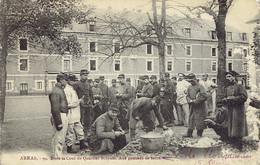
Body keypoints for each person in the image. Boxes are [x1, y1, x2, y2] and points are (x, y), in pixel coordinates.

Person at [222, 70, 248, 151]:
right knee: (231, 127)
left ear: (234, 77)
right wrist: (225, 100)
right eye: (227, 77)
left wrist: (232, 99)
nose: (228, 78)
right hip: (230, 110)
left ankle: (239, 147)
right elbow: (226, 97)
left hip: (238, 110)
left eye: (230, 76)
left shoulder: (240, 87)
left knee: (238, 128)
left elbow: (244, 97)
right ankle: (233, 145)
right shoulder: (228, 88)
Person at [63, 73, 87, 153]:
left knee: (79, 129)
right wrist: (79, 101)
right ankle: (69, 148)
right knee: (70, 131)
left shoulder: (72, 89)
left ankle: (82, 144)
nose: (74, 82)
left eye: (75, 80)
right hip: (70, 114)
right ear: (69, 81)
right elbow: (68, 104)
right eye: (73, 81)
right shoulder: (66, 90)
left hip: (76, 114)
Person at [49, 72, 69, 158]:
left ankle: (57, 154)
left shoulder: (59, 90)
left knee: (60, 136)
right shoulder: (56, 91)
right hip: (60, 115)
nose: (67, 82)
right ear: (61, 80)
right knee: (58, 136)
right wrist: (58, 121)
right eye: (66, 80)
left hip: (62, 114)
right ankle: (56, 155)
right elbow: (55, 108)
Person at [183, 73, 207, 137]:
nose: (190, 82)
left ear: (195, 79)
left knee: (200, 120)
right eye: (189, 81)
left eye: (191, 80)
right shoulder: (189, 87)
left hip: (200, 106)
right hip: (192, 106)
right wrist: (189, 100)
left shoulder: (200, 86)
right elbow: (187, 96)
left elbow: (204, 96)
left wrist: (196, 101)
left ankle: (199, 134)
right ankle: (189, 133)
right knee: (191, 119)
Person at [74, 69, 93, 141]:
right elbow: (74, 95)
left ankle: (86, 136)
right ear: (81, 76)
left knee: (88, 121)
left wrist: (91, 102)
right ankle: (78, 138)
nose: (86, 77)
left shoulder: (88, 84)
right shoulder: (77, 84)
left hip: (88, 106)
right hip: (80, 106)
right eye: (84, 75)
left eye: (87, 75)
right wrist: (78, 101)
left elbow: (91, 94)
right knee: (79, 121)